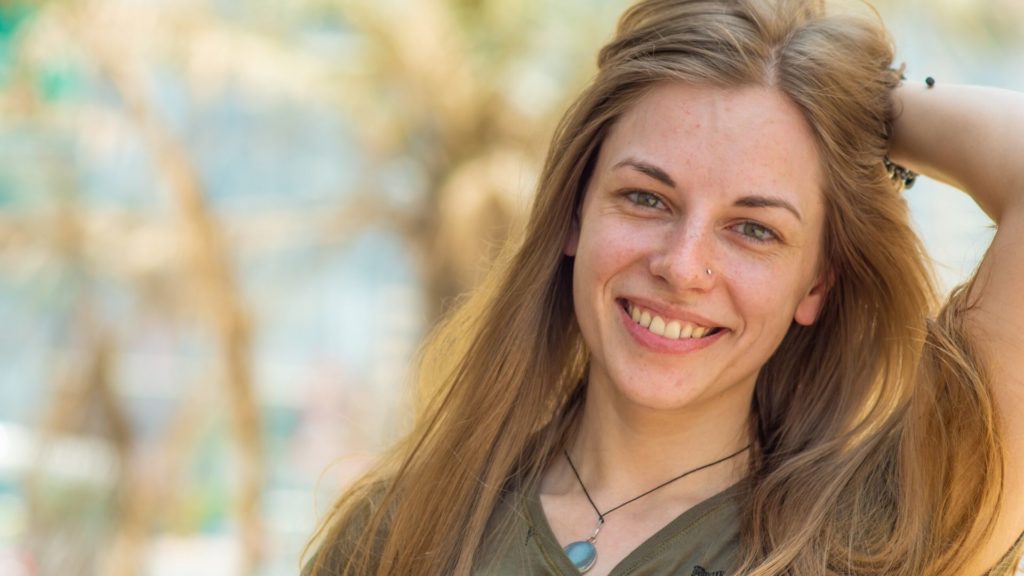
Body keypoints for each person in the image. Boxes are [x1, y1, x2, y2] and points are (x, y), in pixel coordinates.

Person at [304, 0, 1024, 574]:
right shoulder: (400, 530)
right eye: (647, 199)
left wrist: (852, 101)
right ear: (574, 215)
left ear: (816, 284)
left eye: (754, 229)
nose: (682, 266)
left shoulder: (890, 533)